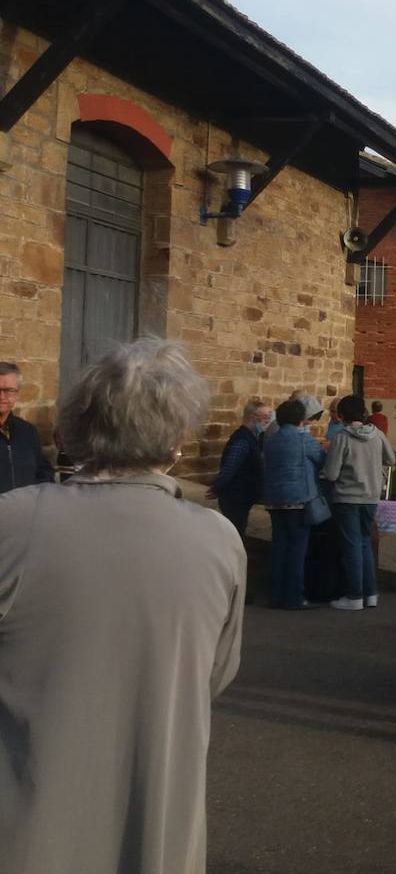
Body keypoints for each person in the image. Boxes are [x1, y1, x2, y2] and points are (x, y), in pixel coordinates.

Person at [0, 338, 244, 874]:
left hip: (30, 820)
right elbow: (215, 673)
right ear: (178, 440)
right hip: (158, 822)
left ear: (78, 427)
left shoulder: (14, 522)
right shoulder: (219, 539)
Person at [322, 394, 395, 610]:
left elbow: (332, 473)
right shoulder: (377, 434)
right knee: (364, 543)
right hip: (371, 496)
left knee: (352, 545)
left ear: (342, 415)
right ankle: (370, 593)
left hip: (347, 497)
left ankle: (354, 595)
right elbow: (390, 459)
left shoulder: (342, 437)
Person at [261, 398, 327, 609]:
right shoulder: (303, 440)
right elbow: (322, 461)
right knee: (297, 550)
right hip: (298, 499)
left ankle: (276, 595)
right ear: (302, 419)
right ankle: (294, 597)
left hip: (274, 499)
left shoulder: (271, 440)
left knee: (279, 547)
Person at [207, 399, 271, 539]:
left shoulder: (253, 438)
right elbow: (230, 467)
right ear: (253, 417)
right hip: (235, 496)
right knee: (234, 534)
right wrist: (217, 487)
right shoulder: (242, 439)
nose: (268, 421)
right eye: (265, 417)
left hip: (243, 496)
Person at [0, 361, 53, 493]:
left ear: (17, 394)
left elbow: (43, 472)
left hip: (26, 511)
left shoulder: (28, 431)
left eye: (9, 390)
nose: (2, 396)